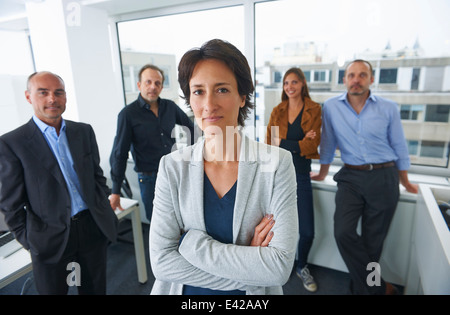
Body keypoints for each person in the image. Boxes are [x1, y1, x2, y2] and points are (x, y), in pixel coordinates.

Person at [149, 39, 298, 295]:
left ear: (242, 96)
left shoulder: (277, 165)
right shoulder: (172, 167)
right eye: (198, 91)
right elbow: (162, 263)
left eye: (221, 90)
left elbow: (279, 267)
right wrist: (249, 264)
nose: (209, 104)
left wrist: (191, 244)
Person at [0, 71, 118, 294]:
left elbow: (96, 176)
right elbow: (10, 205)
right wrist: (32, 242)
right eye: (43, 93)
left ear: (65, 97)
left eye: (58, 92)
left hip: (91, 227)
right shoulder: (12, 143)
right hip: (49, 238)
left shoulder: (83, 131)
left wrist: (104, 208)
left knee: (94, 290)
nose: (52, 99)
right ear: (28, 97)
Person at [311, 59, 418, 295]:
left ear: (371, 79)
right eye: (351, 75)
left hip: (385, 176)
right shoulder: (331, 107)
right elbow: (328, 142)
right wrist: (322, 172)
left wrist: (405, 181)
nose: (356, 80)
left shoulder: (388, 108)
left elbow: (399, 145)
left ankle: (364, 289)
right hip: (351, 176)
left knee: (373, 243)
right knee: (343, 232)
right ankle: (378, 287)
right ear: (344, 80)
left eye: (362, 75)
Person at [109, 64, 195, 221]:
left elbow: (192, 129)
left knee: (182, 218)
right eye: (148, 82)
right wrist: (115, 191)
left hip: (174, 173)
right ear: (139, 85)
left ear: (162, 86)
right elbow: (119, 153)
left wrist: (191, 157)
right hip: (150, 180)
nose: (153, 87)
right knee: (158, 223)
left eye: (157, 83)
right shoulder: (128, 114)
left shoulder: (170, 107)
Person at [266, 67, 322, 292]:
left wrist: (284, 142)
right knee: (277, 226)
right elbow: (270, 141)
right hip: (278, 174)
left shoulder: (314, 109)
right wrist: (298, 142)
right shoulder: (278, 110)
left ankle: (301, 266)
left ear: (302, 84)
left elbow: (312, 145)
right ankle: (282, 265)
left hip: (301, 174)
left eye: (294, 82)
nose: (289, 87)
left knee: (307, 230)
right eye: (286, 83)